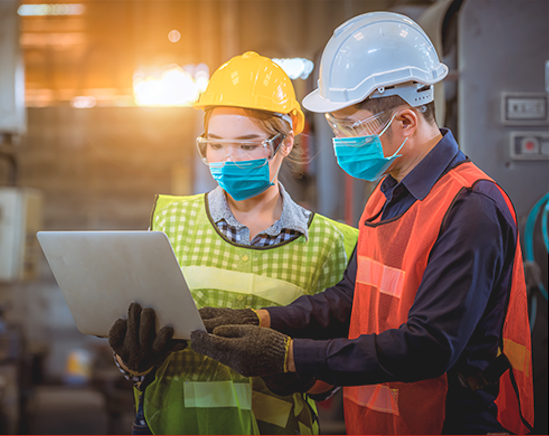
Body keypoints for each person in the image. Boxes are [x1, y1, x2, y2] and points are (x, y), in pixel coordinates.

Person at [190, 12, 534, 435]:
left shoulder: (471, 208)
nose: (340, 139)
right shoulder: (388, 193)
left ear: (406, 122)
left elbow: (428, 347)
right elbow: (352, 297)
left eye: (350, 125)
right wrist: (263, 320)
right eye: (336, 125)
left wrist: (292, 356)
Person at [108, 51, 359, 435]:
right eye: (216, 144)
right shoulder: (170, 222)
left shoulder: (332, 243)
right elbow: (143, 342)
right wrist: (133, 362)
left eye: (246, 145)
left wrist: (288, 370)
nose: (228, 158)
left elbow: (334, 371)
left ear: (285, 143)